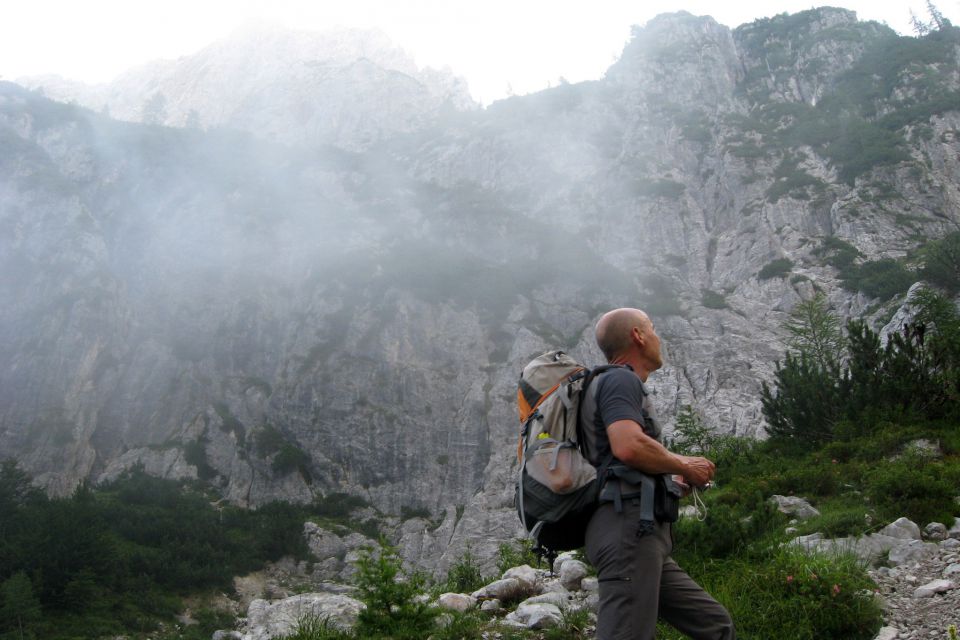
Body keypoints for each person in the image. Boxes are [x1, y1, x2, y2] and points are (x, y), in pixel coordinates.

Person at [581, 307, 735, 640]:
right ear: (638, 335)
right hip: (627, 529)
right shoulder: (620, 378)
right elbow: (627, 446)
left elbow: (623, 455)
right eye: (652, 329)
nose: (657, 337)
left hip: (640, 532)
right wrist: (684, 466)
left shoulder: (611, 383)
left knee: (715, 625)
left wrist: (670, 477)